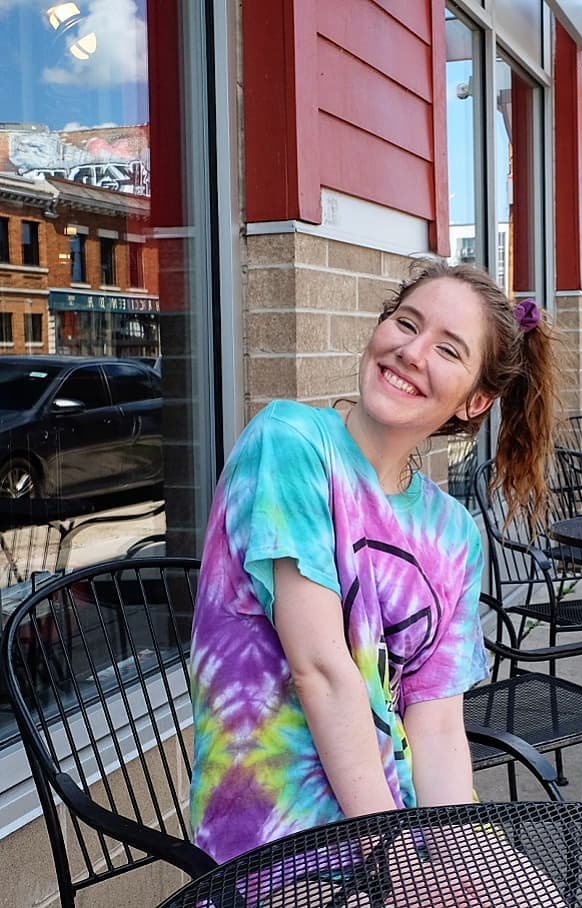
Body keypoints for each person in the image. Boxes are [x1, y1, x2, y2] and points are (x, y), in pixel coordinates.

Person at [188, 260, 562, 865]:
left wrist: (451, 855)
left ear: (476, 400)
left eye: (448, 349)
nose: (412, 351)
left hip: (399, 822)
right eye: (406, 323)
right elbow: (322, 670)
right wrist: (402, 862)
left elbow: (436, 723)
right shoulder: (291, 443)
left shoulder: (453, 534)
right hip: (278, 833)